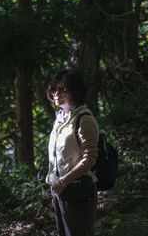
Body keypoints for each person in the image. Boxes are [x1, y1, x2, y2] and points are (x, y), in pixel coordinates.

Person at [45, 69, 99, 236]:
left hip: (77, 191)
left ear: (75, 91)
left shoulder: (84, 120)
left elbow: (90, 159)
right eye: (54, 89)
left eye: (63, 89)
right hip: (60, 191)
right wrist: (57, 185)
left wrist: (63, 181)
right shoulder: (61, 118)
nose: (56, 94)